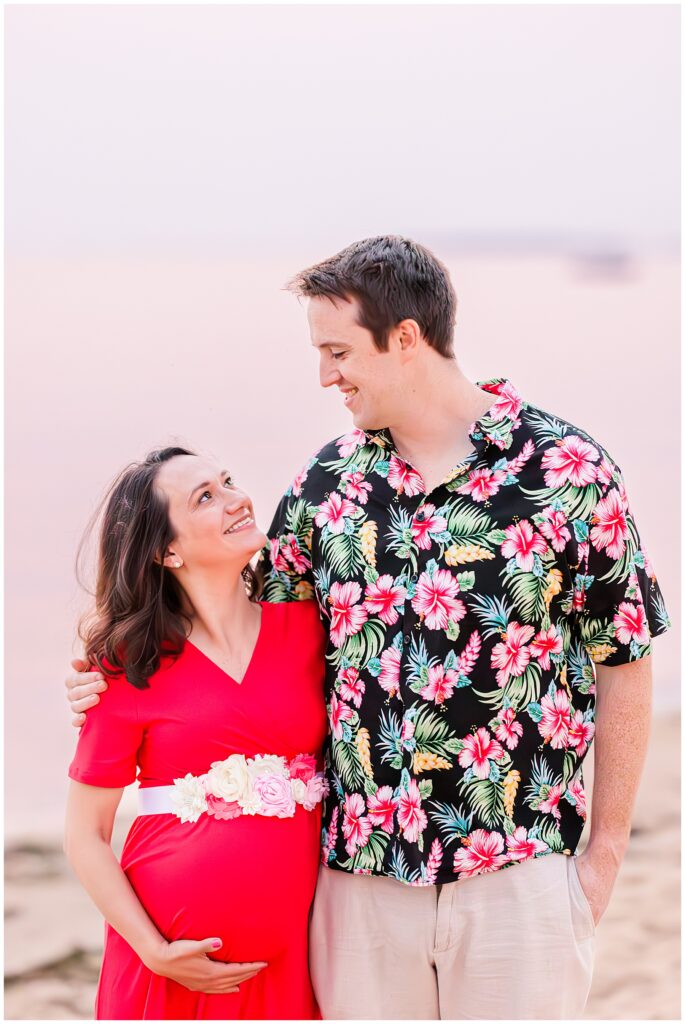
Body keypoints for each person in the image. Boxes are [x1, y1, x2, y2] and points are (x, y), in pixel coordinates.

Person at [67, 237, 670, 1020]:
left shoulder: (565, 470)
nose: (326, 375)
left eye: (338, 350)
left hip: (521, 873)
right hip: (360, 886)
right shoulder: (326, 486)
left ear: (407, 340)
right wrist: (98, 667)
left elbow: (624, 656)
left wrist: (605, 855)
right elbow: (224, 614)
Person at [64, 446, 327, 1020]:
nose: (237, 499)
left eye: (228, 480)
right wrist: (154, 952)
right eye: (206, 497)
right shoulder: (128, 665)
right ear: (167, 551)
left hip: (296, 963)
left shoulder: (312, 629)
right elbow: (85, 834)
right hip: (168, 972)